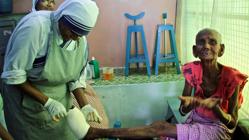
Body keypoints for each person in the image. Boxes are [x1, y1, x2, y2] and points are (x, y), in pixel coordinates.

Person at [66, 28, 248, 140]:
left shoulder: (231, 78)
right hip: (195, 122)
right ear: (194, 50)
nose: (206, 46)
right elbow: (184, 110)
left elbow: (231, 124)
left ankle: (96, 133)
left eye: (212, 42)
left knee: (159, 128)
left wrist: (215, 110)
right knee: (159, 126)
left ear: (221, 49)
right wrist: (187, 105)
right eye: (201, 42)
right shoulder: (192, 70)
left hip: (217, 130)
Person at [0, 0, 102, 139]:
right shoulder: (36, 28)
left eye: (80, 34)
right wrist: (48, 102)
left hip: (59, 105)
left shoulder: (79, 40)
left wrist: (85, 105)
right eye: (72, 32)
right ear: (62, 18)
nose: (75, 38)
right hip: (27, 106)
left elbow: (75, 79)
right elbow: (14, 75)